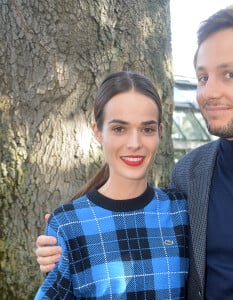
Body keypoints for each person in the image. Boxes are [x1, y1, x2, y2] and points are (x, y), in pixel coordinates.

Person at [35, 6, 233, 299]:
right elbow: (141, 229)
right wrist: (67, 239)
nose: (209, 92)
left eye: (229, 74)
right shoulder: (188, 173)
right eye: (202, 77)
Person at [34, 71, 189, 299]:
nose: (134, 143)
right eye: (119, 129)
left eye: (147, 129)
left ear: (160, 133)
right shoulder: (68, 224)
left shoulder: (181, 210)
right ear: (98, 132)